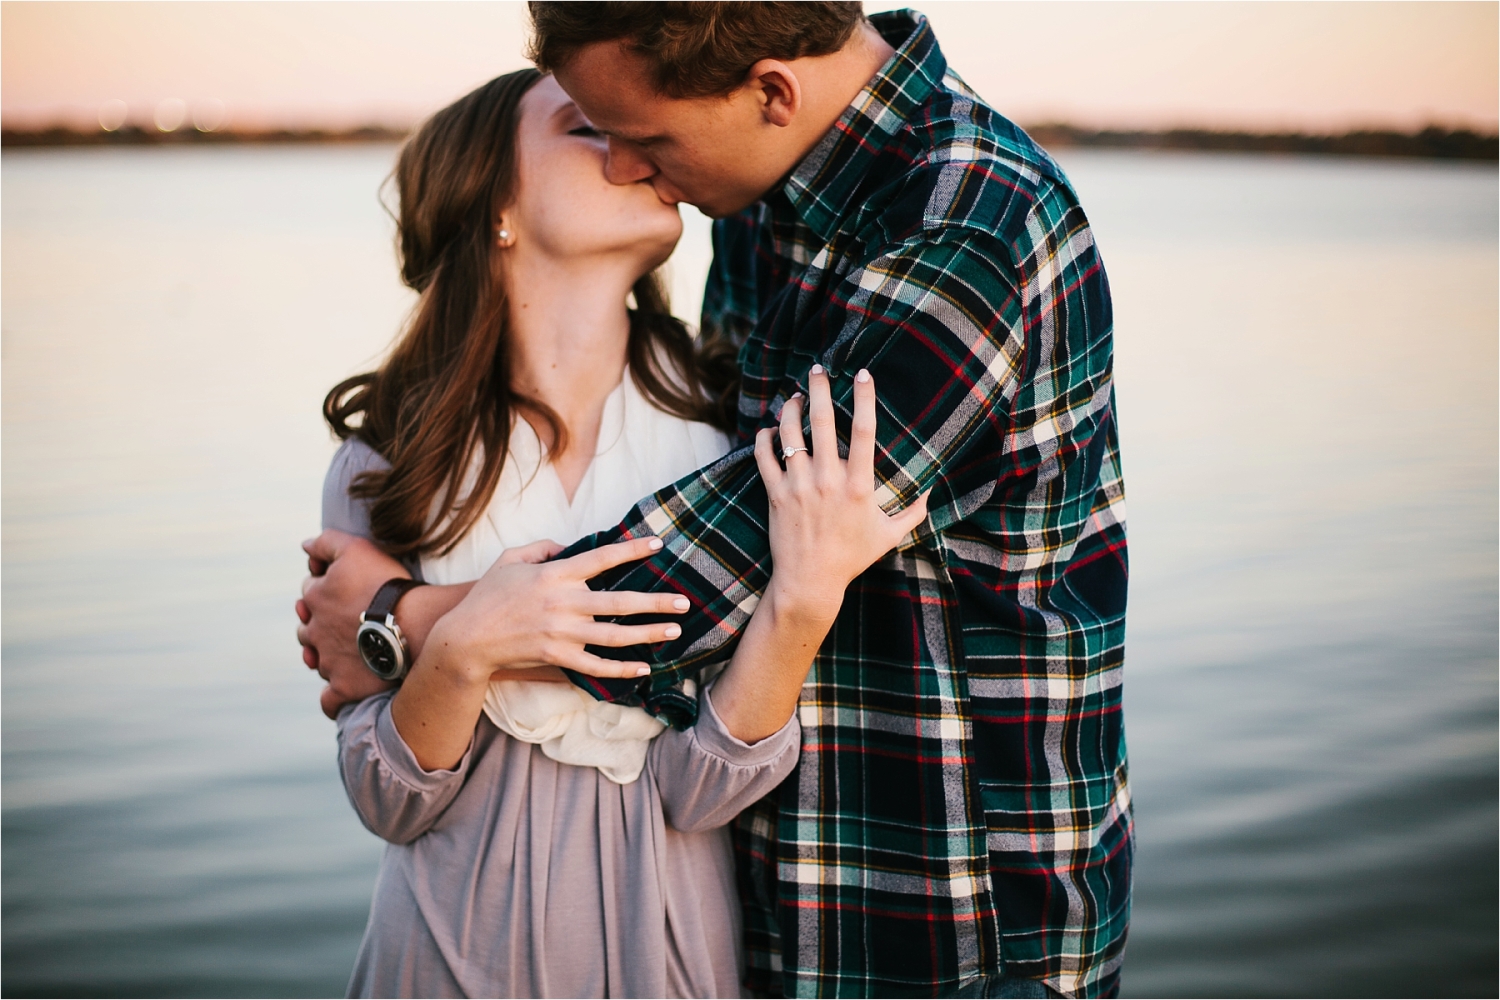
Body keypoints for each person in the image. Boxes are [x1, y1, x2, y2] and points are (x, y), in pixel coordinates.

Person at [301, 4, 1132, 997]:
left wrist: (409, 618)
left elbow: (719, 568)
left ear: (772, 92)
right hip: (764, 903)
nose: (633, 165)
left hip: (945, 916)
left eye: (645, 137)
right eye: (597, 132)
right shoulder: (758, 207)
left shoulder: (972, 226)